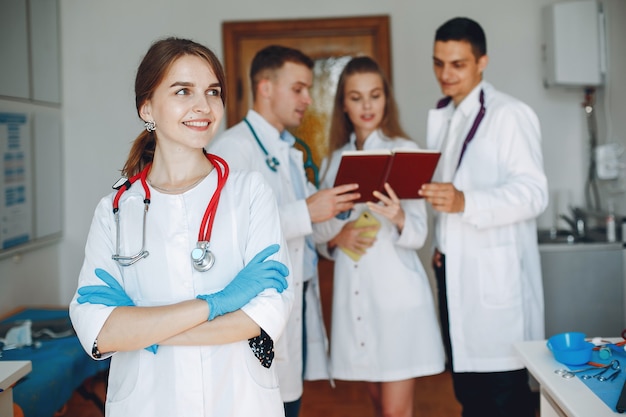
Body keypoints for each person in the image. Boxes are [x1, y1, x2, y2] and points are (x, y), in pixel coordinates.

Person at [69, 37, 294, 417]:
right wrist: (219, 304)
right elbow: (100, 330)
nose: (203, 106)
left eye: (212, 91)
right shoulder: (116, 211)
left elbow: (268, 311)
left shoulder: (250, 192)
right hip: (149, 403)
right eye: (183, 91)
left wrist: (143, 331)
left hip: (238, 400)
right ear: (147, 107)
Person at [209, 44, 359, 417]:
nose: (308, 99)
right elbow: (229, 233)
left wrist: (342, 208)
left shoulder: (289, 150)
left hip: (297, 299)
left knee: (289, 402)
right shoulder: (233, 148)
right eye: (298, 89)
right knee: (267, 403)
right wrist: (306, 211)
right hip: (260, 307)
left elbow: (312, 226)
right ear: (265, 87)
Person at [418, 17, 548, 417]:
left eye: (457, 64)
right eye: (439, 63)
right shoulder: (446, 116)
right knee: (468, 395)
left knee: (503, 397)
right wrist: (442, 246)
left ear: (482, 62)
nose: (445, 74)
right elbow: (448, 194)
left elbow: (534, 194)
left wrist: (466, 203)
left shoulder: (510, 115)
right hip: (453, 275)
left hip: (496, 284)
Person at [316, 56, 445, 417]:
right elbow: (318, 235)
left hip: (397, 300)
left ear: (386, 99)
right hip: (353, 297)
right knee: (376, 402)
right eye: (356, 97)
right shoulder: (333, 162)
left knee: (394, 412)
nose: (367, 106)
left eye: (374, 95)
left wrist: (399, 215)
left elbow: (419, 234)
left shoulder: (407, 152)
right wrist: (336, 238)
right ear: (343, 103)